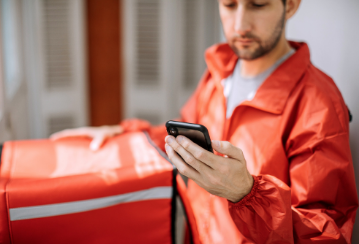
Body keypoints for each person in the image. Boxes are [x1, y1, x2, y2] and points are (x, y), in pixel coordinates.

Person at [51, 0, 358, 243]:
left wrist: (247, 192)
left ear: (290, 4)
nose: (240, 24)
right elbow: (188, 131)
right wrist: (125, 133)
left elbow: (325, 234)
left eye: (258, 5)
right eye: (229, 4)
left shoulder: (318, 105)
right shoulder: (219, 70)